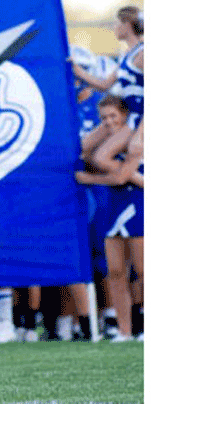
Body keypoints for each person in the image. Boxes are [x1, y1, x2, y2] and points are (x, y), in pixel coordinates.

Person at [76, 96, 144, 342]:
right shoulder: (106, 143)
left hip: (138, 205)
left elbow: (121, 177)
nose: (109, 122)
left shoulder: (137, 141)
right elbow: (85, 151)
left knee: (143, 270)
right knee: (115, 271)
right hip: (115, 206)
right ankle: (124, 330)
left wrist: (91, 179)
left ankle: (144, 326)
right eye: (104, 118)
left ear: (125, 116)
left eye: (114, 116)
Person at [71, 6, 143, 171]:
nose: (114, 28)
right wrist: (77, 70)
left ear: (127, 25)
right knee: (83, 150)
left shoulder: (143, 54)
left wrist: (139, 135)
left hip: (137, 118)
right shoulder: (127, 55)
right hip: (127, 114)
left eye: (117, 23)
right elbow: (104, 85)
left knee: (102, 159)